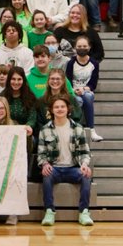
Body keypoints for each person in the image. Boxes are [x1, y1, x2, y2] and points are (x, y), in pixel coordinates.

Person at [37, 96, 94, 227]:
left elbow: (85, 152)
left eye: (62, 106)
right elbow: (41, 153)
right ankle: (49, 211)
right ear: (51, 110)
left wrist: (84, 164)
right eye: (56, 107)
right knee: (46, 175)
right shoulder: (45, 129)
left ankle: (84, 212)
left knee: (86, 176)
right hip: (55, 168)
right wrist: (45, 164)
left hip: (72, 168)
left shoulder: (78, 128)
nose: (60, 109)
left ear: (68, 109)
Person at [66, 36, 101, 142]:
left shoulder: (94, 63)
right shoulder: (71, 63)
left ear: (89, 47)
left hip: (86, 90)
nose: (82, 48)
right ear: (75, 48)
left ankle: (91, 130)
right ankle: (76, 131)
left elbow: (93, 84)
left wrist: (84, 89)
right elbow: (68, 80)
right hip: (73, 90)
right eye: (79, 46)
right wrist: (74, 90)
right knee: (78, 100)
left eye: (84, 46)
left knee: (88, 96)